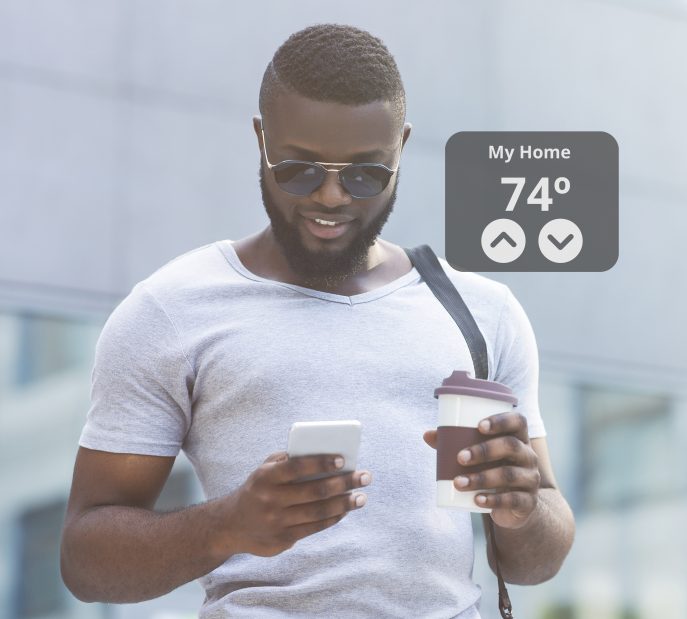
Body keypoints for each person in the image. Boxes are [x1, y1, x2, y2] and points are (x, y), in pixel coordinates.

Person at [59, 23, 575, 618]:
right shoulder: (171, 311)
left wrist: (522, 509)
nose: (331, 198)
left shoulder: (482, 314)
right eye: (299, 170)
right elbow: (84, 559)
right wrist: (226, 526)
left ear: (401, 148)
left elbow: (536, 560)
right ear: (261, 139)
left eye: (365, 174)